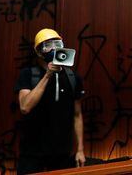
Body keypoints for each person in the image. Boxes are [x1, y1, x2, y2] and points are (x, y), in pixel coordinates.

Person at [14, 28, 86, 174]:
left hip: (61, 153)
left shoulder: (73, 77)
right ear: (39, 51)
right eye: (48, 45)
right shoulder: (28, 74)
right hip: (32, 153)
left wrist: (80, 150)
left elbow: (77, 115)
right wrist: (48, 75)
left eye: (57, 44)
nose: (54, 48)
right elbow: (25, 107)